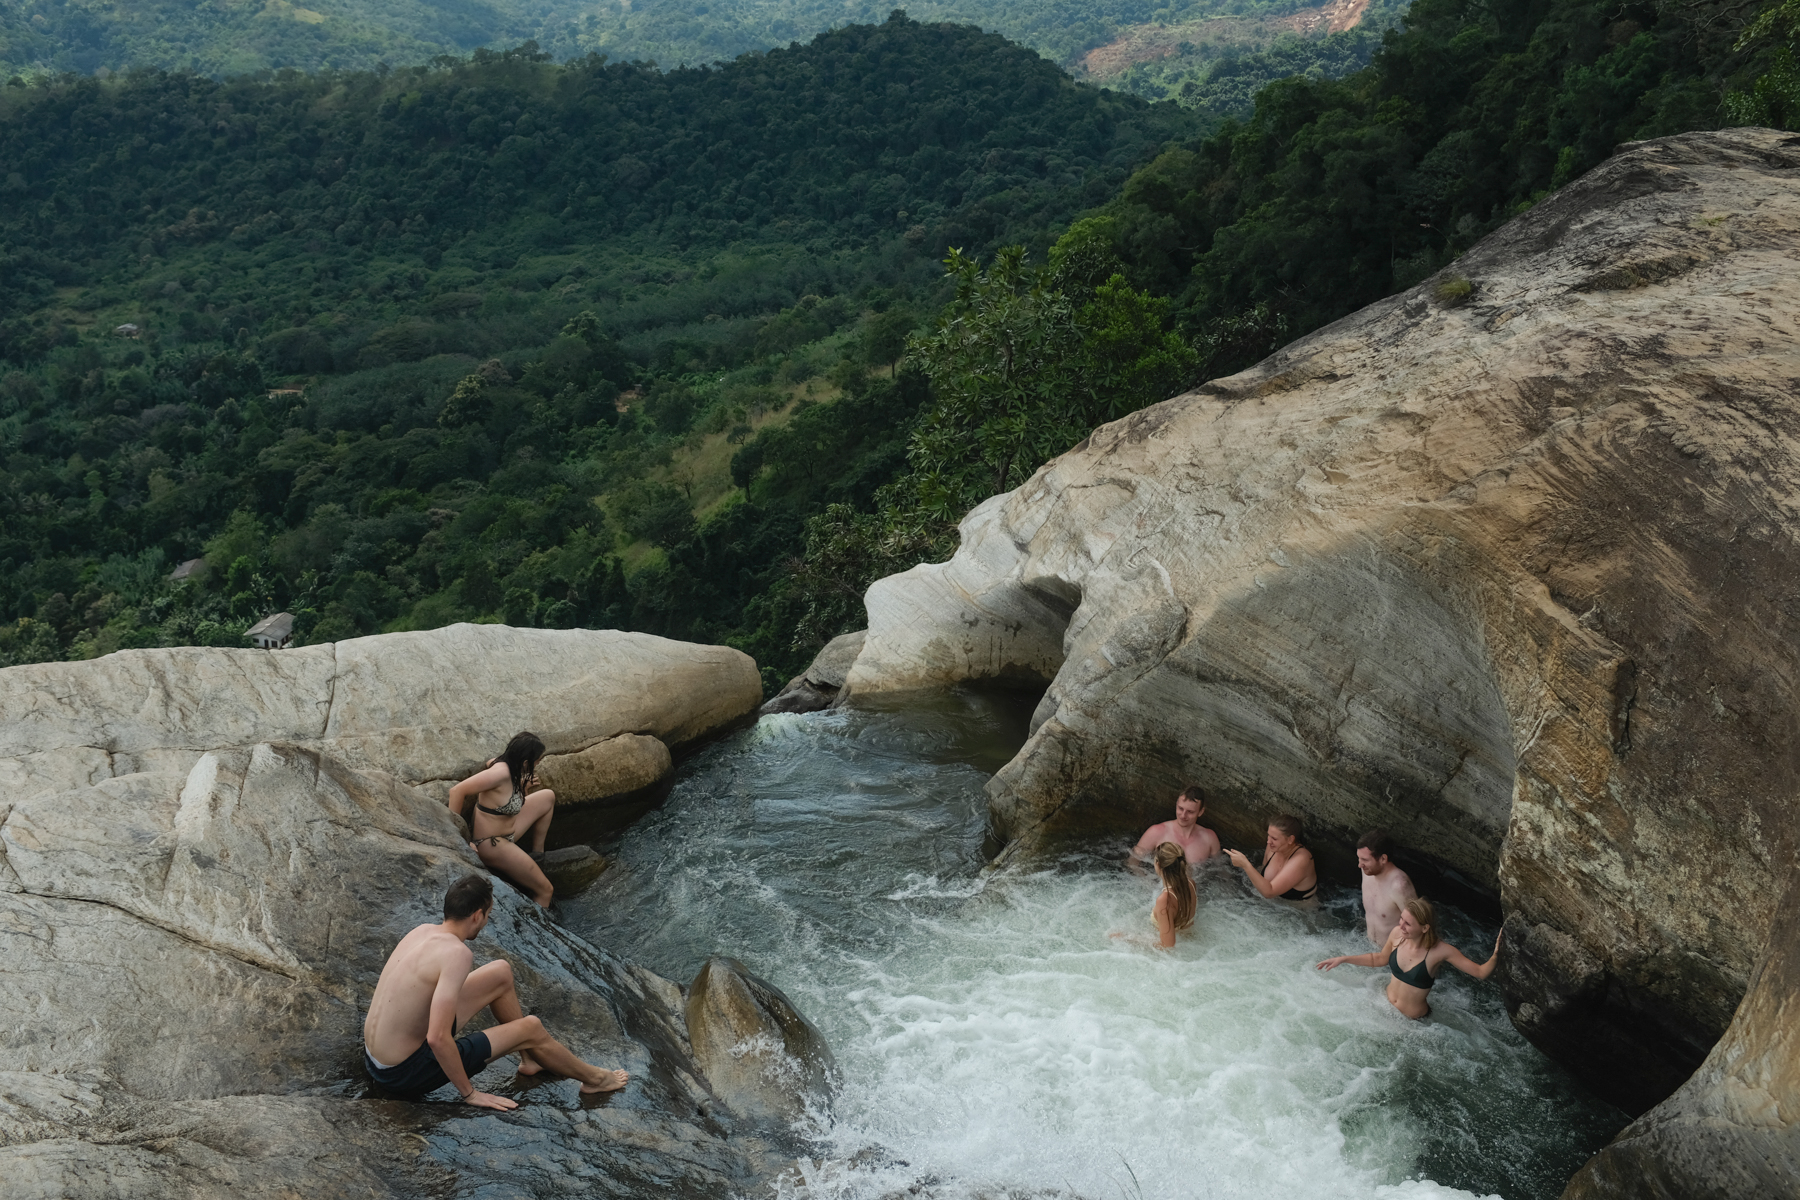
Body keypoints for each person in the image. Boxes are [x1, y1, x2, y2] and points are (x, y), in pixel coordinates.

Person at [363, 873, 629, 1106]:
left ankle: (530, 1060)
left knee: (500, 972)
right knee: (532, 1027)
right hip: (405, 1072)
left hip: (377, 1057)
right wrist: (470, 1094)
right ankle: (596, 1079)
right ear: (477, 915)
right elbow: (437, 1037)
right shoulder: (456, 953)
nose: (487, 921)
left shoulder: (422, 931)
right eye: (488, 915)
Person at [1314, 896, 1503, 1019]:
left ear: (1424, 928)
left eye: (1408, 924)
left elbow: (1480, 973)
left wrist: (1496, 953)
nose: (1401, 925)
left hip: (1414, 1024)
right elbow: (1379, 959)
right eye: (1401, 919)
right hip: (1384, 1008)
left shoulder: (1441, 951)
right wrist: (1344, 959)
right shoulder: (1397, 934)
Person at [449, 731, 557, 908]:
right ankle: (539, 931)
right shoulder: (500, 774)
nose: (538, 764)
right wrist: (458, 837)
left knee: (548, 797)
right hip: (491, 844)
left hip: (510, 830)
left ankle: (538, 856)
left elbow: (490, 761)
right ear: (525, 762)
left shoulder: (507, 765)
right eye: (537, 761)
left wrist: (522, 784)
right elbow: (456, 791)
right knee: (546, 890)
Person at [1109, 841, 1198, 949]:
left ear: (1158, 864)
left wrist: (1126, 938)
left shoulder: (1165, 900)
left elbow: (1167, 945)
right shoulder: (1190, 883)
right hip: (1189, 940)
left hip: (1170, 955)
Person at [1224, 813, 1318, 902]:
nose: (1268, 841)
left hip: (1300, 911)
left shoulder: (1302, 859)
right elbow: (1262, 870)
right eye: (1268, 835)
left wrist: (1245, 865)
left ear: (1290, 839)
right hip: (1271, 905)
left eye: (1274, 838)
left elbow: (1269, 893)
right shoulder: (1273, 847)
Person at [1130, 786, 1221, 870]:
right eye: (1180, 808)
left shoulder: (1209, 838)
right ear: (1176, 804)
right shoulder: (1156, 832)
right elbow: (1132, 863)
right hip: (1158, 886)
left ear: (1201, 812)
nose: (1183, 815)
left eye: (1190, 812)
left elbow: (1222, 869)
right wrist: (1149, 885)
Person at [1356, 829, 1417, 944]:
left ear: (1383, 859)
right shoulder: (1366, 872)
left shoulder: (1400, 885)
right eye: (1359, 858)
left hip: (1392, 954)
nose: (1359, 865)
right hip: (1368, 947)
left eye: (1364, 860)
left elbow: (1417, 925)